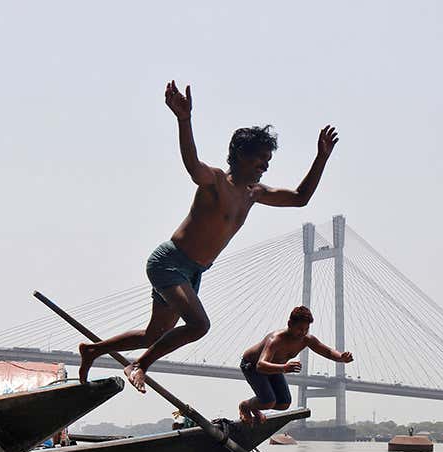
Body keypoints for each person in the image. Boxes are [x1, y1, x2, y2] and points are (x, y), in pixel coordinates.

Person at [77, 80, 339, 393]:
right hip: (169, 262)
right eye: (260, 160)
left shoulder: (254, 193)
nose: (265, 167)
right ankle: (139, 364)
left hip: (193, 271)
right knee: (199, 325)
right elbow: (192, 165)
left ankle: (92, 350)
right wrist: (184, 120)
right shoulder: (215, 181)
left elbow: (300, 197)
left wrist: (321, 157)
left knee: (152, 335)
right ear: (240, 155)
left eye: (268, 161)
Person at [238, 306, 353, 424]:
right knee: (268, 401)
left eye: (306, 329)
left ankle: (255, 406)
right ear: (289, 324)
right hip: (252, 366)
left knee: (284, 403)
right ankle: (245, 406)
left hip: (275, 367)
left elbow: (327, 351)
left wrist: (341, 357)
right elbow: (260, 365)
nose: (302, 333)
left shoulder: (306, 339)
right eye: (299, 329)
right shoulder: (276, 340)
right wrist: (284, 368)